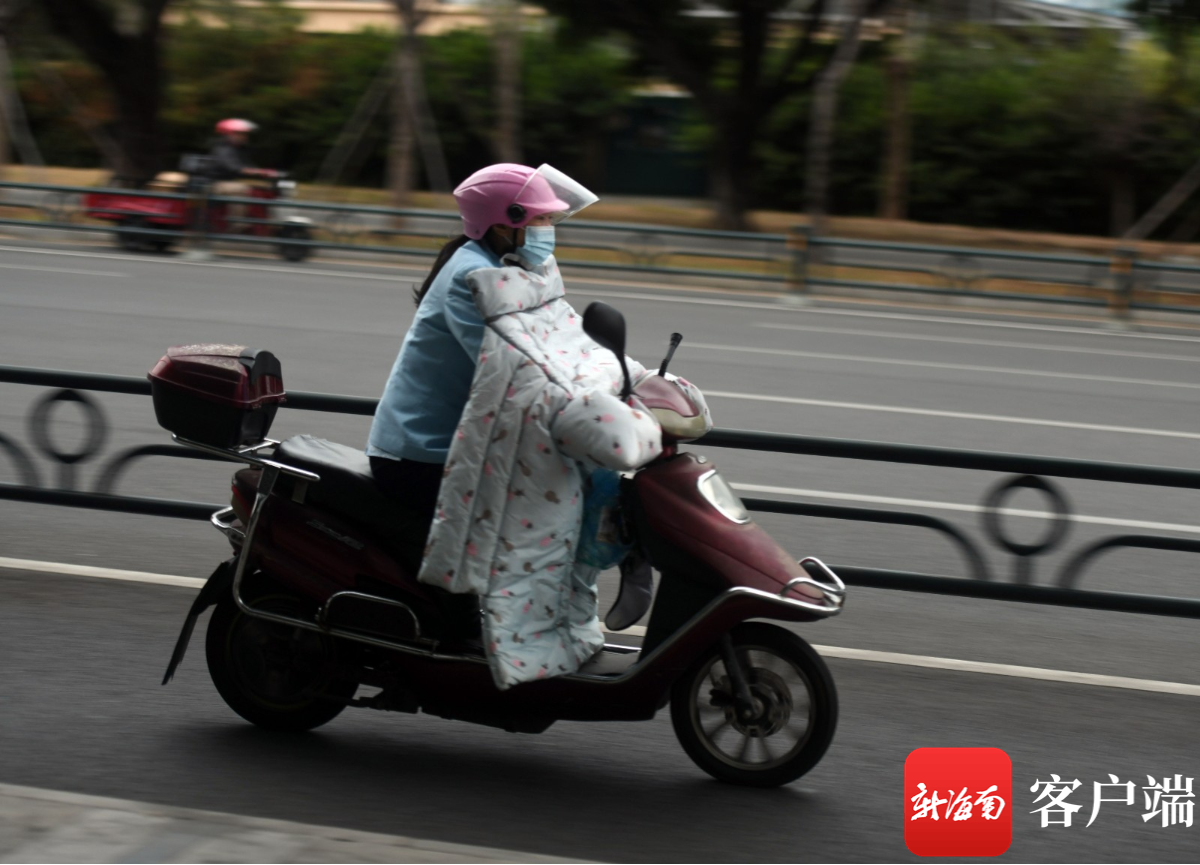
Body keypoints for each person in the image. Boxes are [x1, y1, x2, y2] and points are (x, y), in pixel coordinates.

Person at [367, 163, 711, 688]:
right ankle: (524, 637)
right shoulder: (472, 280)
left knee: (589, 479)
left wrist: (633, 377)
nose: (549, 230)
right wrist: (595, 403)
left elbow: (567, 341)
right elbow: (516, 369)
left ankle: (614, 566)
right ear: (503, 224)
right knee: (548, 507)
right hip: (423, 454)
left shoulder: (515, 269)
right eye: (541, 220)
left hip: (479, 440)